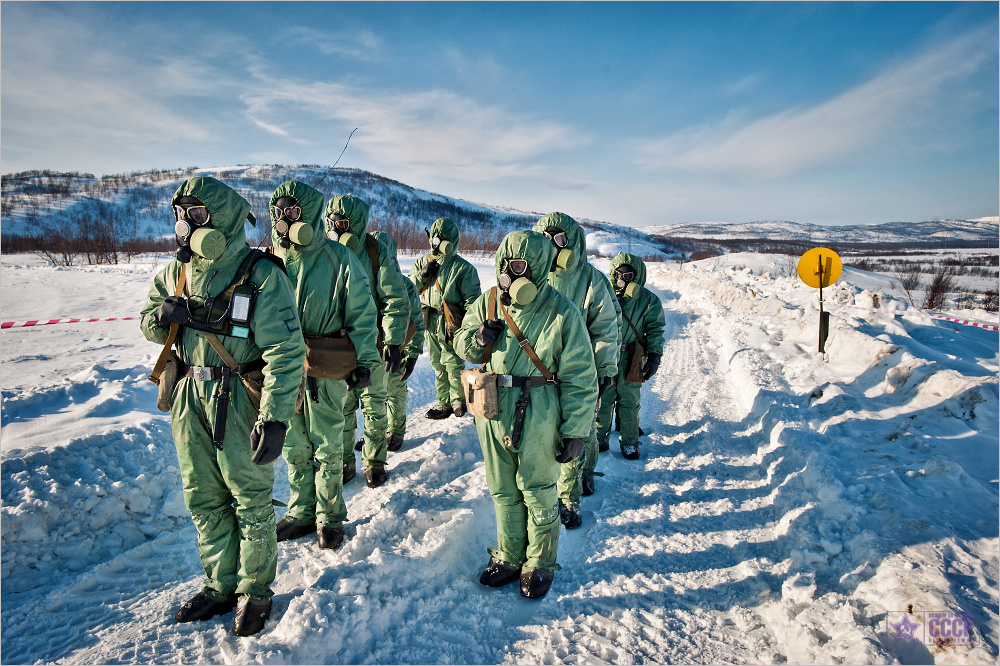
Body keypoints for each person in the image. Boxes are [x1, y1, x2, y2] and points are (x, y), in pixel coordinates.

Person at [140, 176, 305, 636]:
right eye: (180, 215)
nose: (185, 226)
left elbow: (286, 352)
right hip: (189, 394)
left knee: (250, 498)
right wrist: (160, 318)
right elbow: (147, 319)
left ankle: (256, 590)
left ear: (224, 219)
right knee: (203, 497)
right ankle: (220, 584)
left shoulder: (262, 274)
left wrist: (274, 418)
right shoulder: (176, 272)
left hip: (237, 398)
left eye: (196, 216)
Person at [453, 230, 597, 599]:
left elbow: (581, 377)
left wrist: (576, 431)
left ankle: (540, 562)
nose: (508, 274)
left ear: (536, 269)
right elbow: (461, 342)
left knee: (537, 488)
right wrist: (477, 339)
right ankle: (509, 556)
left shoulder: (562, 311)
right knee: (502, 488)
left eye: (517, 266)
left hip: (540, 406)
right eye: (504, 264)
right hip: (492, 405)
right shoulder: (488, 303)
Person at [267, 181, 381, 550]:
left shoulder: (338, 258)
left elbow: (363, 313)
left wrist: (365, 360)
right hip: (285, 369)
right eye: (280, 212)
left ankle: (330, 516)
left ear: (312, 216)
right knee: (294, 444)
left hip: (325, 365)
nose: (285, 221)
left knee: (327, 443)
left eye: (294, 213)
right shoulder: (272, 260)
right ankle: (302, 510)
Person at [531, 212, 620, 529]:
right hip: (540, 375)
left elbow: (607, 329)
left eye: (559, 239)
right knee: (543, 434)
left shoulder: (591, 280)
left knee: (578, 433)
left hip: (580, 373)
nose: (552, 247)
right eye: (545, 239)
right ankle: (549, 488)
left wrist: (604, 367)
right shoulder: (532, 279)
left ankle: (570, 497)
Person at [325, 194, 411, 488]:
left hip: (373, 344)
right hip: (337, 347)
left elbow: (395, 300)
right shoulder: (326, 253)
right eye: (332, 222)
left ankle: (374, 461)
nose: (336, 228)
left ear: (358, 224)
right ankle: (345, 462)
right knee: (343, 408)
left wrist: (394, 340)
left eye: (343, 223)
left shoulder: (377, 252)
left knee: (375, 406)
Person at [409, 217, 481, 419]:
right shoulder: (423, 262)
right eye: (435, 238)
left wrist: (469, 326)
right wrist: (422, 275)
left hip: (451, 321)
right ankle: (443, 402)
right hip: (428, 318)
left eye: (443, 239)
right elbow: (408, 290)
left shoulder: (464, 269)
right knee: (437, 363)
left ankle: (458, 400)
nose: (437, 243)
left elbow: (473, 302)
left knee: (453, 361)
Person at [595, 253, 666, 460]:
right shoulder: (605, 295)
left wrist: (654, 356)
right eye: (619, 274)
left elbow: (655, 329)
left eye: (628, 274)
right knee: (604, 397)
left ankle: (629, 442)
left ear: (637, 276)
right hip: (607, 355)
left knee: (629, 400)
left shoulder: (648, 300)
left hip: (632, 357)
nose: (623, 279)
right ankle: (600, 438)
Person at [371, 231, 426, 451]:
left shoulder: (405, 285)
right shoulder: (357, 280)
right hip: (369, 352)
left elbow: (417, 322)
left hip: (396, 351)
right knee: (371, 402)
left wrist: (412, 354)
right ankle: (373, 437)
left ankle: (395, 432)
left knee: (394, 394)